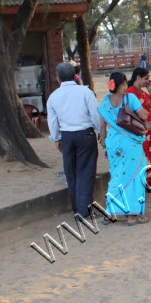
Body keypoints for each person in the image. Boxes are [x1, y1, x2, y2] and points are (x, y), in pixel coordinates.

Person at [46, 62, 101, 218]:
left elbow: (52, 121)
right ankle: (84, 211)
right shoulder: (85, 92)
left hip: (67, 137)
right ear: (75, 75)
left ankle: (78, 209)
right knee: (86, 172)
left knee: (71, 173)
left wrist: (56, 138)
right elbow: (95, 115)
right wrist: (99, 130)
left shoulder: (53, 97)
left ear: (58, 78)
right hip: (86, 135)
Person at [98, 72, 151, 226]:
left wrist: (103, 145)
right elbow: (144, 116)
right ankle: (132, 217)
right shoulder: (129, 98)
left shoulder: (103, 104)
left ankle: (110, 214)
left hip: (113, 144)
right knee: (135, 176)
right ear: (122, 84)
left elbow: (102, 127)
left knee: (116, 176)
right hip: (131, 143)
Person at [127, 67, 151, 187]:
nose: (148, 81)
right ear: (138, 77)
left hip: (149, 131)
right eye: (146, 78)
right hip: (142, 131)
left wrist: (150, 89)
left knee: (149, 156)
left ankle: (147, 183)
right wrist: (144, 122)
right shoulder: (131, 91)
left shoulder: (141, 91)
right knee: (146, 157)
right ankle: (144, 183)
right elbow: (129, 111)